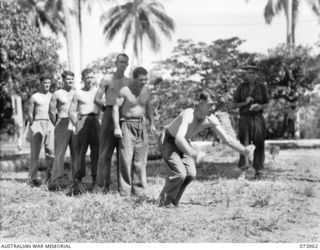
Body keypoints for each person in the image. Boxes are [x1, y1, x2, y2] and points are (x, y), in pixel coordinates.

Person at [158, 90, 253, 208]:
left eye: (214, 104)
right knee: (179, 174)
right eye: (210, 104)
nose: (213, 108)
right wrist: (194, 153)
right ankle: (164, 203)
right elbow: (178, 139)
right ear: (201, 103)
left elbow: (227, 139)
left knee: (190, 174)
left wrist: (244, 150)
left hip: (184, 142)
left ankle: (173, 201)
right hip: (169, 140)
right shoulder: (188, 114)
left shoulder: (211, 119)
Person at [113, 67, 157, 196]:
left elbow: (149, 106)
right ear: (134, 78)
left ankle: (139, 190)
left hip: (141, 125)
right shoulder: (125, 91)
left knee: (140, 160)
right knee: (126, 159)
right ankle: (125, 191)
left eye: (145, 79)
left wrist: (152, 124)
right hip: (127, 124)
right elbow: (116, 108)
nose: (144, 81)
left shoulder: (147, 90)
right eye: (141, 79)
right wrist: (117, 127)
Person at [94, 53, 131, 192]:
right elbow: (97, 98)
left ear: (127, 64)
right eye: (120, 62)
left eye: (125, 62)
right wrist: (106, 110)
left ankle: (124, 190)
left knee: (124, 153)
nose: (122, 64)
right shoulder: (107, 79)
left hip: (124, 116)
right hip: (109, 114)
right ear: (116, 63)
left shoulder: (129, 82)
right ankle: (102, 187)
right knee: (105, 153)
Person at [232, 65, 270, 180]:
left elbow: (268, 104)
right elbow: (234, 104)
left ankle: (258, 170)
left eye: (253, 73)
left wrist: (260, 106)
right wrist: (244, 102)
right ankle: (243, 170)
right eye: (249, 73)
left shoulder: (262, 87)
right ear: (246, 74)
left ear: (256, 74)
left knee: (260, 144)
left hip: (258, 118)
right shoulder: (241, 87)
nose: (251, 75)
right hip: (245, 118)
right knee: (244, 144)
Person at [68, 68, 100, 189]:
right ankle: (78, 180)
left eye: (92, 77)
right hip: (82, 122)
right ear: (82, 79)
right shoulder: (78, 93)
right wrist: (77, 124)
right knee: (80, 152)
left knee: (96, 152)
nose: (90, 80)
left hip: (95, 121)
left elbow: (102, 108)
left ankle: (96, 180)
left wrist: (99, 121)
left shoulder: (98, 92)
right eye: (87, 77)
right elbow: (71, 112)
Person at [48, 70, 77, 189]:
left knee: (76, 153)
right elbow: (51, 111)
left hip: (75, 124)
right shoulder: (57, 94)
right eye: (68, 79)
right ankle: (56, 179)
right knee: (60, 153)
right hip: (62, 122)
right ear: (63, 80)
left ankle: (76, 178)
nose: (70, 81)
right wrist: (57, 124)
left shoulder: (76, 93)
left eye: (72, 79)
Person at [27, 73, 54, 187]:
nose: (47, 85)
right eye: (45, 83)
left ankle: (51, 177)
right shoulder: (35, 96)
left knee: (51, 152)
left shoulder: (53, 96)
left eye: (49, 83)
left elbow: (54, 111)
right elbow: (29, 112)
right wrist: (32, 124)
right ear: (41, 83)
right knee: (35, 153)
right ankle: (32, 178)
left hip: (50, 124)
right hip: (37, 122)